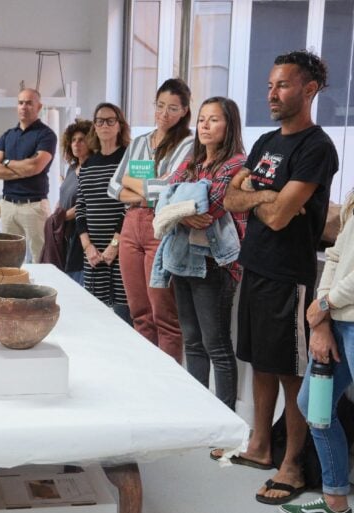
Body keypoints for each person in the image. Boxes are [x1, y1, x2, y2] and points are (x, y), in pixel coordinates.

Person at [218, 50, 338, 505]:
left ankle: (291, 463)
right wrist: (263, 197)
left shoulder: (317, 147)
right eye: (269, 85)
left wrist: (258, 196)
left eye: (282, 85)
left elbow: (282, 216)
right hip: (256, 267)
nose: (272, 93)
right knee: (260, 361)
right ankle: (259, 446)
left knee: (291, 371)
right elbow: (230, 197)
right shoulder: (266, 140)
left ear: (309, 90)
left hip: (290, 276)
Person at [158, 97, 247, 409]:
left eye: (214, 120)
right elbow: (163, 196)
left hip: (215, 263)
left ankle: (224, 416)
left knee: (217, 344)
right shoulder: (193, 161)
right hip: (184, 258)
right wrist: (181, 208)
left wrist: (177, 206)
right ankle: (198, 410)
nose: (205, 126)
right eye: (202, 120)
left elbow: (210, 206)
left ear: (229, 125)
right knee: (192, 342)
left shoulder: (236, 163)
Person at [107, 78, 194, 363]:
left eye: (172, 108)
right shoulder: (141, 142)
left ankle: (168, 386)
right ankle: (146, 375)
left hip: (162, 227)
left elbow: (167, 189)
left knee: (163, 314)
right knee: (139, 313)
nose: (163, 114)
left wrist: (137, 188)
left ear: (184, 111)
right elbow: (113, 186)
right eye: (159, 106)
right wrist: (144, 190)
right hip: (131, 225)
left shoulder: (188, 143)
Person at [285, 190, 354, 513]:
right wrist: (322, 316)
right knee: (314, 405)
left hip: (343, 314)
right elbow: (337, 255)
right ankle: (335, 500)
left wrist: (326, 303)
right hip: (337, 319)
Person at [75, 103, 131, 324]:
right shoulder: (88, 164)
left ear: (119, 125)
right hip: (93, 252)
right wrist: (87, 246)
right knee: (96, 316)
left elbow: (131, 206)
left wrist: (114, 246)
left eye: (110, 120)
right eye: (100, 121)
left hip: (121, 247)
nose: (104, 125)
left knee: (123, 312)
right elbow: (81, 207)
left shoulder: (128, 159)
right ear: (94, 127)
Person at [0, 88, 57, 263]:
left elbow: (35, 167)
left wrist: (6, 162)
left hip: (33, 206)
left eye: (29, 103)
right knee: (9, 259)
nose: (24, 107)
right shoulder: (8, 135)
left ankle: (41, 290)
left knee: (40, 259)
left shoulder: (47, 135)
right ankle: (14, 291)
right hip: (8, 206)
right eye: (20, 103)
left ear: (39, 106)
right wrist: (23, 168)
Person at [41, 119, 92, 283]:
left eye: (81, 140)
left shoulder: (91, 170)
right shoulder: (72, 168)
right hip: (65, 231)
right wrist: (56, 217)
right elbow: (62, 196)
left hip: (81, 231)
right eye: (73, 140)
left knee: (77, 278)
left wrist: (60, 218)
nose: (76, 144)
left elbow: (85, 204)